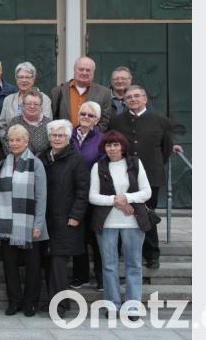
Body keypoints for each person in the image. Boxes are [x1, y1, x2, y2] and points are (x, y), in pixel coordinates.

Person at [109, 85, 179, 270]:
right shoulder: (117, 121)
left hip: (151, 175)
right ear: (124, 101)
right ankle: (122, 251)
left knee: (146, 214)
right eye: (129, 97)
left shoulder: (161, 120)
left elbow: (166, 148)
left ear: (145, 98)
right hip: (124, 175)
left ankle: (151, 254)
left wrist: (152, 165)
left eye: (137, 96)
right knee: (123, 211)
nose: (133, 99)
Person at [89, 130, 153, 320]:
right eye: (109, 145)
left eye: (116, 144)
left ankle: (133, 307)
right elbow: (92, 196)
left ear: (122, 146)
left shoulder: (135, 163)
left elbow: (147, 192)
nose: (113, 148)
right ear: (104, 148)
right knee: (109, 265)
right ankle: (112, 305)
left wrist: (126, 198)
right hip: (107, 223)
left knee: (134, 265)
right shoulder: (98, 166)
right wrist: (115, 201)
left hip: (133, 223)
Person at [39, 119, 89, 317]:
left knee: (58, 264)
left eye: (61, 135)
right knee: (49, 262)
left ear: (68, 138)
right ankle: (55, 302)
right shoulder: (43, 157)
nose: (57, 138)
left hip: (66, 220)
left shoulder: (75, 160)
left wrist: (76, 215)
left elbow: (82, 190)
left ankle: (60, 305)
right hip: (45, 219)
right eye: (54, 135)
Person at [0, 125, 48, 317]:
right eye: (11, 140)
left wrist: (38, 225)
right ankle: (14, 301)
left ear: (26, 142)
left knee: (32, 267)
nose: (14, 143)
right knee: (9, 266)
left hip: (30, 224)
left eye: (18, 140)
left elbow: (41, 197)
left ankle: (30, 303)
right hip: (7, 223)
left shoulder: (36, 164)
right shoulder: (4, 163)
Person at [69, 101, 106, 290]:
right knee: (78, 238)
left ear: (97, 120)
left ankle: (101, 278)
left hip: (94, 195)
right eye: (83, 113)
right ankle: (80, 276)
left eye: (90, 116)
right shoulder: (68, 136)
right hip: (73, 195)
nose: (85, 118)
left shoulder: (102, 140)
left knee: (97, 238)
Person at [51, 56, 113, 131]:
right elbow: (54, 118)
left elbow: (104, 122)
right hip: (65, 139)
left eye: (88, 70)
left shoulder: (104, 93)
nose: (84, 73)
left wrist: (88, 137)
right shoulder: (58, 91)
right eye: (81, 69)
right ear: (74, 70)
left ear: (93, 72)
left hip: (92, 140)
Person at [0, 62, 52, 142]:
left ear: (33, 79)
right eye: (20, 77)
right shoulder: (8, 100)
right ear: (16, 79)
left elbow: (47, 127)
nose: (24, 80)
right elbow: (2, 127)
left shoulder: (45, 99)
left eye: (28, 77)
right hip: (12, 147)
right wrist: (8, 144)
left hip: (38, 150)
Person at [2, 91, 51, 156]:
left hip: (44, 164)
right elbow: (7, 143)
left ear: (40, 106)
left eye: (36, 104)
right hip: (18, 162)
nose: (32, 106)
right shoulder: (15, 122)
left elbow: (52, 147)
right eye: (28, 104)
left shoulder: (49, 124)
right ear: (23, 105)